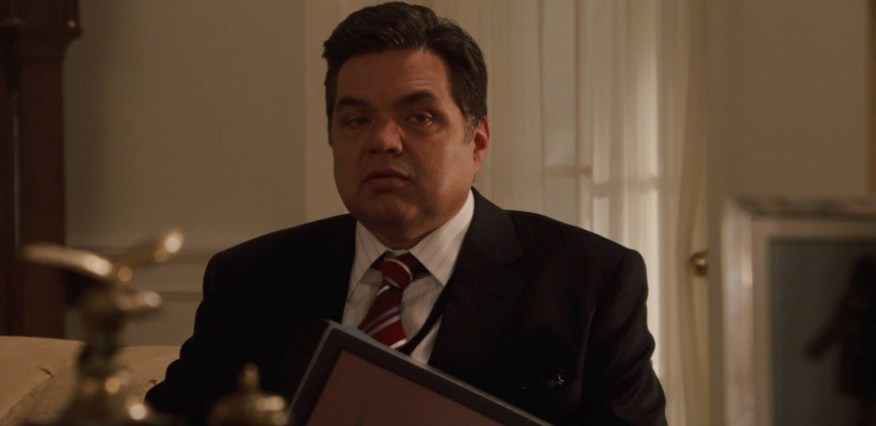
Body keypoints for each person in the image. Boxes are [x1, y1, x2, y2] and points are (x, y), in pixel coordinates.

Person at [146, 2, 666, 424]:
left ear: (477, 141)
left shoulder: (589, 282)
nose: (383, 141)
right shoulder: (250, 280)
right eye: (356, 120)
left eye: (419, 117)